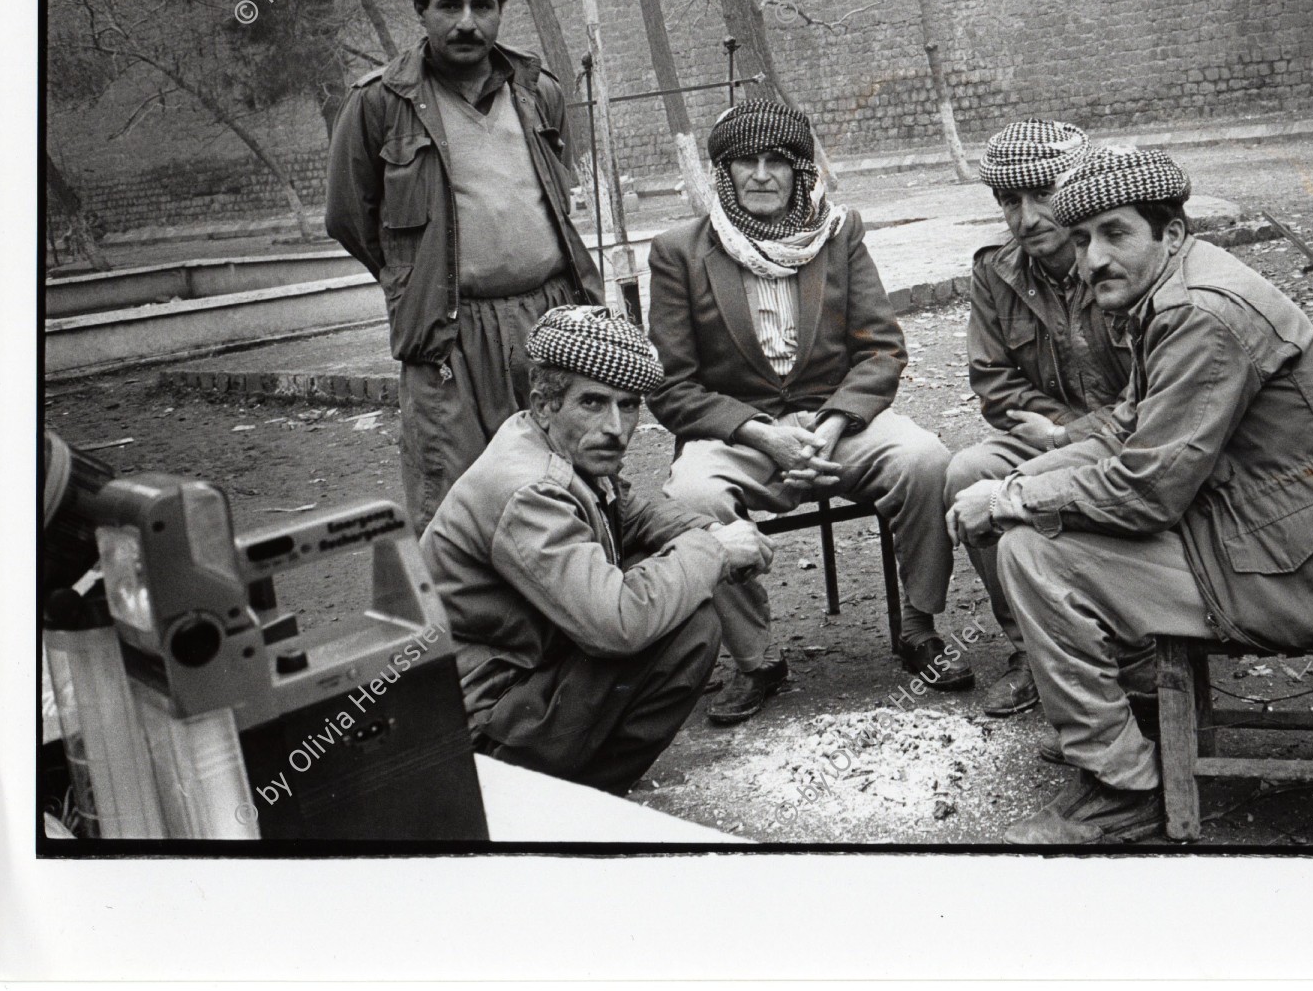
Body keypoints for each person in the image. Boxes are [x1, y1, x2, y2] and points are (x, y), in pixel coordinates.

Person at [948, 145, 1313, 844]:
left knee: (1034, 556)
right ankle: (1137, 711)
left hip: (1293, 563)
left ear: (1172, 232)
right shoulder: (1171, 291)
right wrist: (1015, 482)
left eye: (1116, 233)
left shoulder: (1199, 315)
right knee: (1033, 520)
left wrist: (1010, 503)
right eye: (1084, 238)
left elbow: (1145, 489)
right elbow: (1128, 428)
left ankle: (1122, 786)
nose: (1093, 258)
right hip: (1262, 526)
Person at [646, 98, 967, 725]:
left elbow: (881, 350)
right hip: (740, 433)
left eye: (778, 161)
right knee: (691, 496)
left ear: (800, 172)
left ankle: (920, 626)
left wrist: (831, 425)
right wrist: (763, 437)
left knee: (927, 459)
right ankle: (757, 659)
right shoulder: (678, 251)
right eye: (746, 162)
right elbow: (671, 386)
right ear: (725, 173)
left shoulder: (838, 235)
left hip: (838, 425)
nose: (762, 174)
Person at [420, 305, 773, 793]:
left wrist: (713, 534)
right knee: (687, 628)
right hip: (479, 725)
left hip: (527, 675)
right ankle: (574, 800)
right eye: (593, 403)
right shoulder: (530, 490)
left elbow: (633, 515)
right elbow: (617, 625)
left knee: (668, 591)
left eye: (629, 405)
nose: (615, 426)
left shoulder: (553, 443)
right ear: (544, 404)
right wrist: (714, 555)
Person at [326, 0, 604, 535]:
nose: (467, 22)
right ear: (422, 13)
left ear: (501, 10)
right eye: (449, 6)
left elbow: (554, 197)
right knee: (457, 506)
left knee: (571, 483)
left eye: (483, 6)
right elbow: (349, 217)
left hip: (549, 320)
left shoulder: (538, 91)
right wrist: (417, 279)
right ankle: (467, 631)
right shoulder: (380, 104)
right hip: (449, 332)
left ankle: (582, 618)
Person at [946, 120, 1135, 719]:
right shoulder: (995, 272)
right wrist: (1054, 433)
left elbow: (1154, 395)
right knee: (967, 473)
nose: (1027, 218)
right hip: (1044, 436)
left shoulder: (1118, 261)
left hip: (1132, 438)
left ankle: (1126, 649)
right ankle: (1031, 650)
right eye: (1009, 200)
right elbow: (994, 381)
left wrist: (1066, 435)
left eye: (1042, 194)